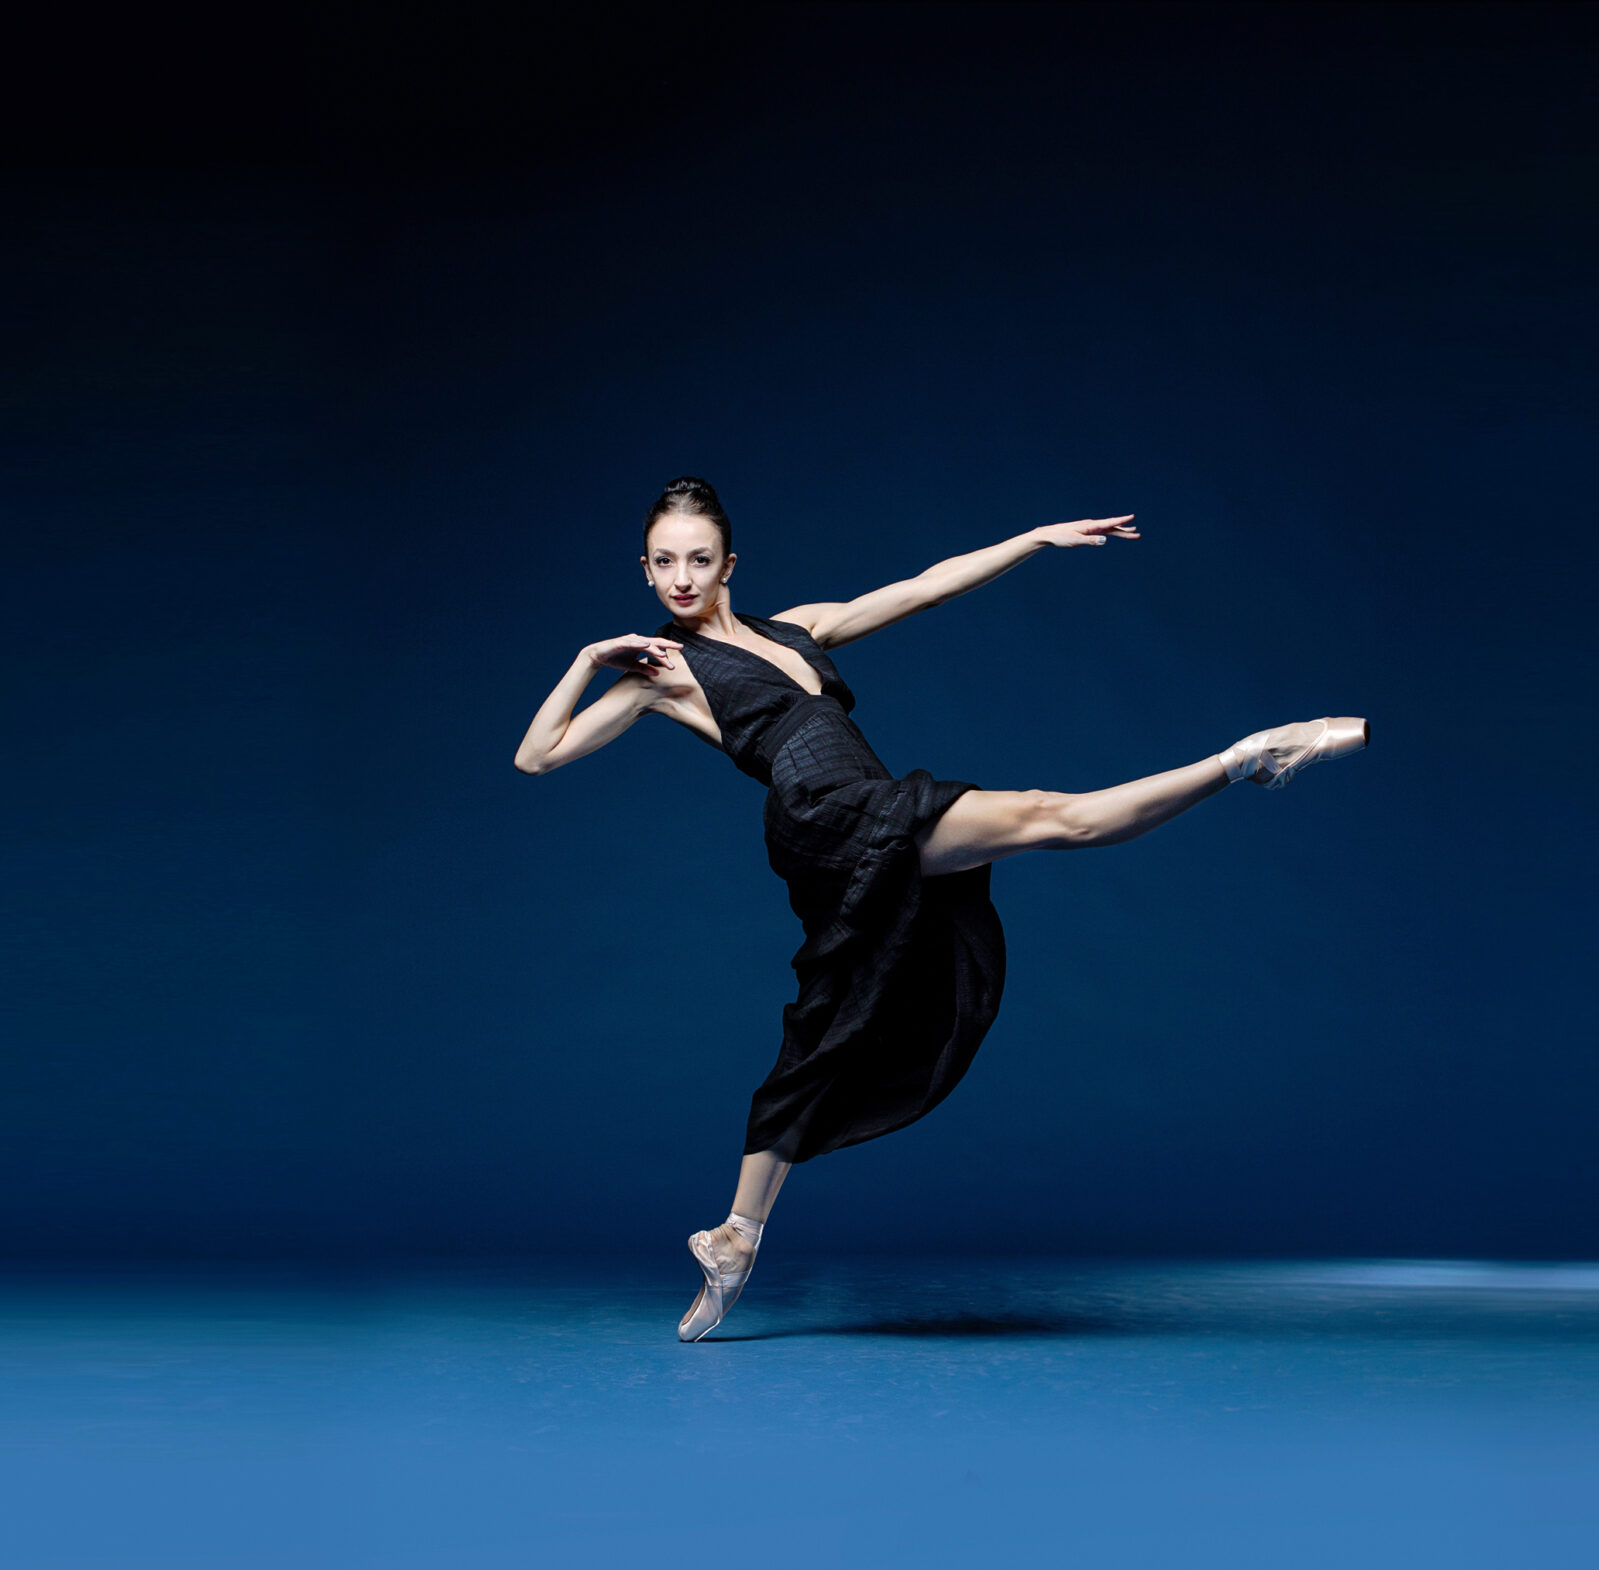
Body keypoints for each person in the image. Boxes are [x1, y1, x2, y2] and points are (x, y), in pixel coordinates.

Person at [516, 478, 1366, 1340]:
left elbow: (925, 586)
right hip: (827, 819)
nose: (682, 578)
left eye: (699, 559)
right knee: (1049, 815)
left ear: (730, 563)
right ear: (645, 569)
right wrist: (590, 662)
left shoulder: (796, 628)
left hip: (867, 807)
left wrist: (1032, 537)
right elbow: (536, 757)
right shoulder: (660, 672)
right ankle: (1249, 759)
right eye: (664, 563)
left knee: (828, 1023)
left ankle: (738, 1236)